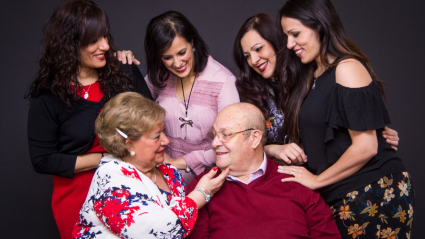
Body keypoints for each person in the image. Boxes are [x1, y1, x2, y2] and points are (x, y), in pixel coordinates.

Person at [277, 0, 414, 238]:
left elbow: (366, 147)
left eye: (295, 34)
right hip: (340, 197)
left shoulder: (347, 68)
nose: (289, 44)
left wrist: (317, 180)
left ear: (320, 25)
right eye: (286, 36)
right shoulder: (312, 76)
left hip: (372, 190)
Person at [26, 0, 151, 237]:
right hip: (78, 200)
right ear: (70, 44)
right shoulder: (48, 95)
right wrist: (106, 158)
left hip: (132, 189)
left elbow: (152, 123)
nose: (105, 45)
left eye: (105, 36)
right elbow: (42, 160)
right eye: (94, 40)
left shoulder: (123, 72)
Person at [72, 92, 229, 238]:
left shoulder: (169, 172)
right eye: (156, 136)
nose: (166, 141)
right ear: (129, 144)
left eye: (163, 131)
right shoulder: (110, 179)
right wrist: (201, 193)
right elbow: (154, 233)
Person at [186, 103, 341, 239]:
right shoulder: (201, 187)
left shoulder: (297, 180)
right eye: (214, 135)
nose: (214, 143)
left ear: (254, 138)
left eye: (225, 135)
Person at [143, 11, 240, 185]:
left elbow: (232, 142)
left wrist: (180, 163)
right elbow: (133, 110)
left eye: (182, 52)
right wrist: (123, 63)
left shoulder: (223, 81)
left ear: (192, 43)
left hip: (210, 181)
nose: (177, 63)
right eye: (167, 57)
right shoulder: (159, 77)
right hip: (162, 179)